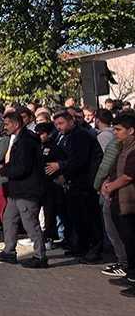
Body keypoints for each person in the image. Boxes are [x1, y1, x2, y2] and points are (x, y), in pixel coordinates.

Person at [0, 111, 48, 268]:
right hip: (16, 191)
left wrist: (3, 171)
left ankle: (40, 255)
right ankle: (9, 251)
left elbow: (22, 167)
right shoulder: (20, 139)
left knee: (30, 224)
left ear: (16, 124)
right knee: (9, 219)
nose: (5, 127)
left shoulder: (26, 141)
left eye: (8, 124)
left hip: (27, 191)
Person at [52, 110, 104, 262]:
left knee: (90, 218)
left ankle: (94, 249)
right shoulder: (65, 137)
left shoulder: (81, 135)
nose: (58, 127)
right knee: (78, 217)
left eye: (61, 123)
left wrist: (61, 168)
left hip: (85, 184)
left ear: (71, 121)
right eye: (56, 125)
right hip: (74, 184)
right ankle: (81, 246)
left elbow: (79, 160)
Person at [100, 114, 135, 296]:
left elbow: (129, 175)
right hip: (119, 200)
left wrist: (111, 186)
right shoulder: (122, 146)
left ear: (131, 130)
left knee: (131, 240)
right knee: (126, 240)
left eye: (119, 129)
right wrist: (107, 183)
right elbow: (115, 169)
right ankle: (129, 274)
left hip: (129, 202)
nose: (115, 132)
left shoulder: (133, 148)